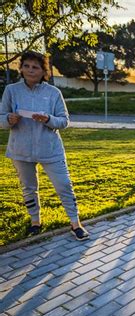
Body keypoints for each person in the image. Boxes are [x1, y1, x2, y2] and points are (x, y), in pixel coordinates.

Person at [0, 51, 89, 240]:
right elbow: (1, 119)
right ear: (21, 68)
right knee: (28, 187)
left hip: (50, 150)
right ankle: (35, 221)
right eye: (27, 66)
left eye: (36, 67)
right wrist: (9, 119)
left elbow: (64, 121)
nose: (31, 70)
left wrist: (48, 119)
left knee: (64, 185)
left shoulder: (53, 93)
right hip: (20, 150)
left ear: (43, 71)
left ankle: (75, 223)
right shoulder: (11, 90)